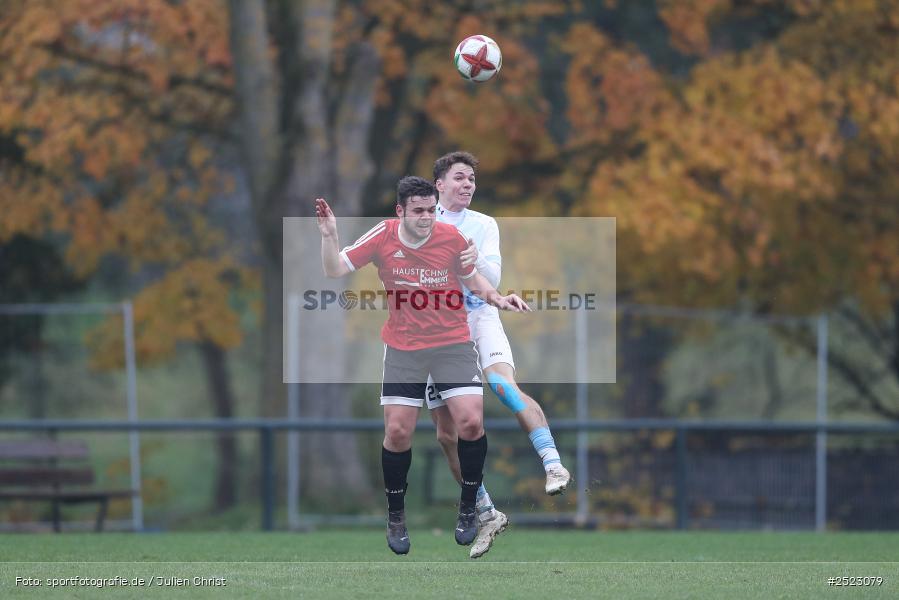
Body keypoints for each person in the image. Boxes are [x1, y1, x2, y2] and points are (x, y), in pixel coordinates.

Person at [315, 176, 530, 556]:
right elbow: (334, 270)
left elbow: (473, 280)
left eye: (432, 210)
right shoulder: (383, 235)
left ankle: (469, 508)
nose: (427, 217)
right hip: (404, 348)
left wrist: (498, 298)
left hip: (452, 344)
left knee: (471, 422)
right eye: (419, 211)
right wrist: (330, 235)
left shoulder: (450, 238)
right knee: (398, 433)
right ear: (400, 211)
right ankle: (396, 515)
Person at [426, 151, 572, 559]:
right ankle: (488, 511)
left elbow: (489, 280)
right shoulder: (421, 222)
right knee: (446, 435)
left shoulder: (483, 225)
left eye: (472, 178)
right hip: (435, 332)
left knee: (503, 385)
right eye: (459, 177)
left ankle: (552, 463)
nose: (468, 184)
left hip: (478, 318)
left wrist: (470, 264)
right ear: (439, 184)